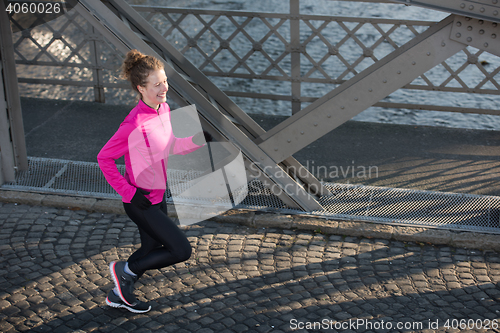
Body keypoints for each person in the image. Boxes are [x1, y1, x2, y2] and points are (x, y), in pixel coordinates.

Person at [97, 49, 211, 313]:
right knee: (180, 250)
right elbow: (104, 158)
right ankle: (124, 270)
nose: (164, 88)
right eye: (157, 84)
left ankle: (117, 294)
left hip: (159, 196)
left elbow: (167, 146)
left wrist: (195, 141)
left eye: (165, 81)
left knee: (150, 251)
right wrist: (127, 192)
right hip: (140, 201)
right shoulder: (133, 123)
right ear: (141, 88)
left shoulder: (163, 109)